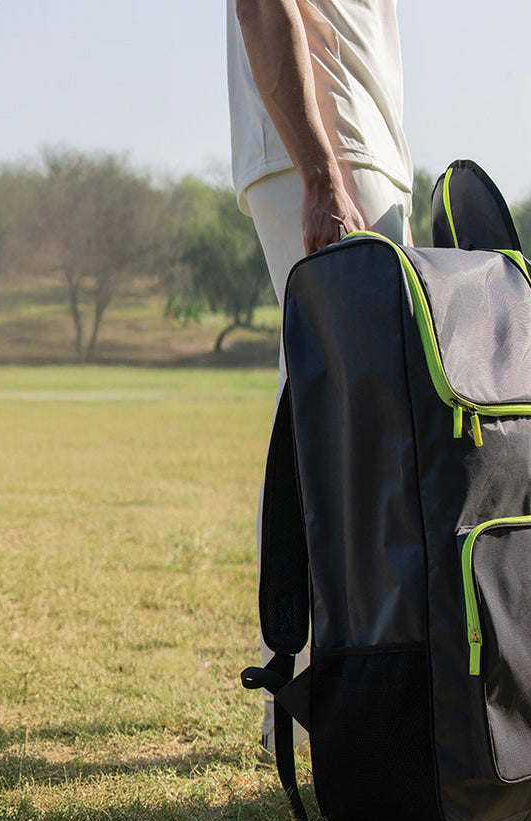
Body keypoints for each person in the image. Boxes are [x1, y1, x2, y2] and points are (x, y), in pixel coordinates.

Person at [226, 0, 414, 750]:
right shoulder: (328, 164)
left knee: (333, 419)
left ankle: (318, 706)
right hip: (332, 149)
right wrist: (323, 173)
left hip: (353, 150)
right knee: (350, 425)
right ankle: (339, 712)